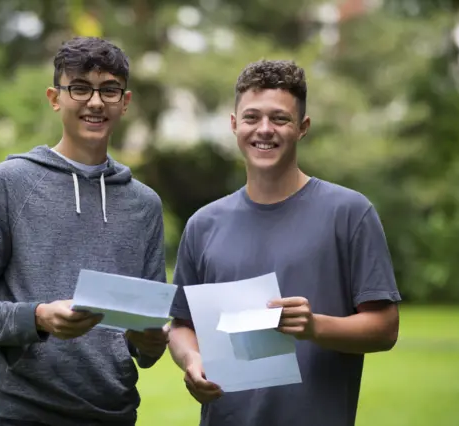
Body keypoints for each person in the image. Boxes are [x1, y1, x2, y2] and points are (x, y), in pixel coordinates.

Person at [167, 59, 401, 426]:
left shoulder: (350, 213)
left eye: (280, 118)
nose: (264, 130)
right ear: (233, 124)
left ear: (302, 127)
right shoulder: (203, 224)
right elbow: (182, 325)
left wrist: (314, 327)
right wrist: (191, 360)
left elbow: (385, 328)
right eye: (251, 117)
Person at [0, 36, 169, 426]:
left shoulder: (145, 204)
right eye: (80, 88)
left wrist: (151, 341)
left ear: (125, 101)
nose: (96, 102)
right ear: (55, 98)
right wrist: (37, 318)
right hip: (23, 413)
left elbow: (146, 341)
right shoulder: (8, 182)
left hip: (115, 415)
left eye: (109, 90)